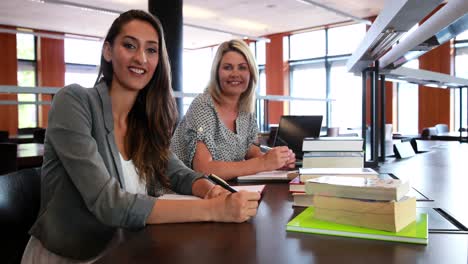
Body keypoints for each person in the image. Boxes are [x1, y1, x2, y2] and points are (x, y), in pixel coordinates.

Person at [21, 10, 260, 263]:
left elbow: (177, 173)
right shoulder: (74, 101)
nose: (141, 58)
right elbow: (109, 204)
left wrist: (209, 190)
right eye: (129, 45)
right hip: (74, 257)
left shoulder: (143, 120)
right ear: (108, 51)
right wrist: (214, 210)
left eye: (151, 50)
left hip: (129, 251)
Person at [171, 39, 295, 180]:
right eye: (228, 67)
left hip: (219, 190)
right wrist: (264, 162)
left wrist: (278, 161)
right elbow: (204, 168)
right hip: (176, 192)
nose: (235, 74)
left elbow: (251, 150)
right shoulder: (203, 105)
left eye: (242, 67)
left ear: (251, 73)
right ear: (217, 72)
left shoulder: (246, 111)